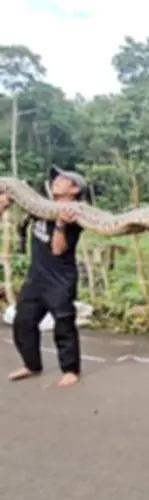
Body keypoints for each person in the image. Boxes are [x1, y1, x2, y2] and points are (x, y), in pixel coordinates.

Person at [3, 166, 86, 387]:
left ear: (75, 189)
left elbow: (58, 250)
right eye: (56, 178)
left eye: (63, 179)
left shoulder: (75, 215)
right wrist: (5, 200)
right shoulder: (40, 207)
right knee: (23, 322)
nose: (56, 180)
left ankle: (70, 370)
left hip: (60, 280)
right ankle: (31, 365)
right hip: (36, 276)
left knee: (63, 325)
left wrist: (60, 223)